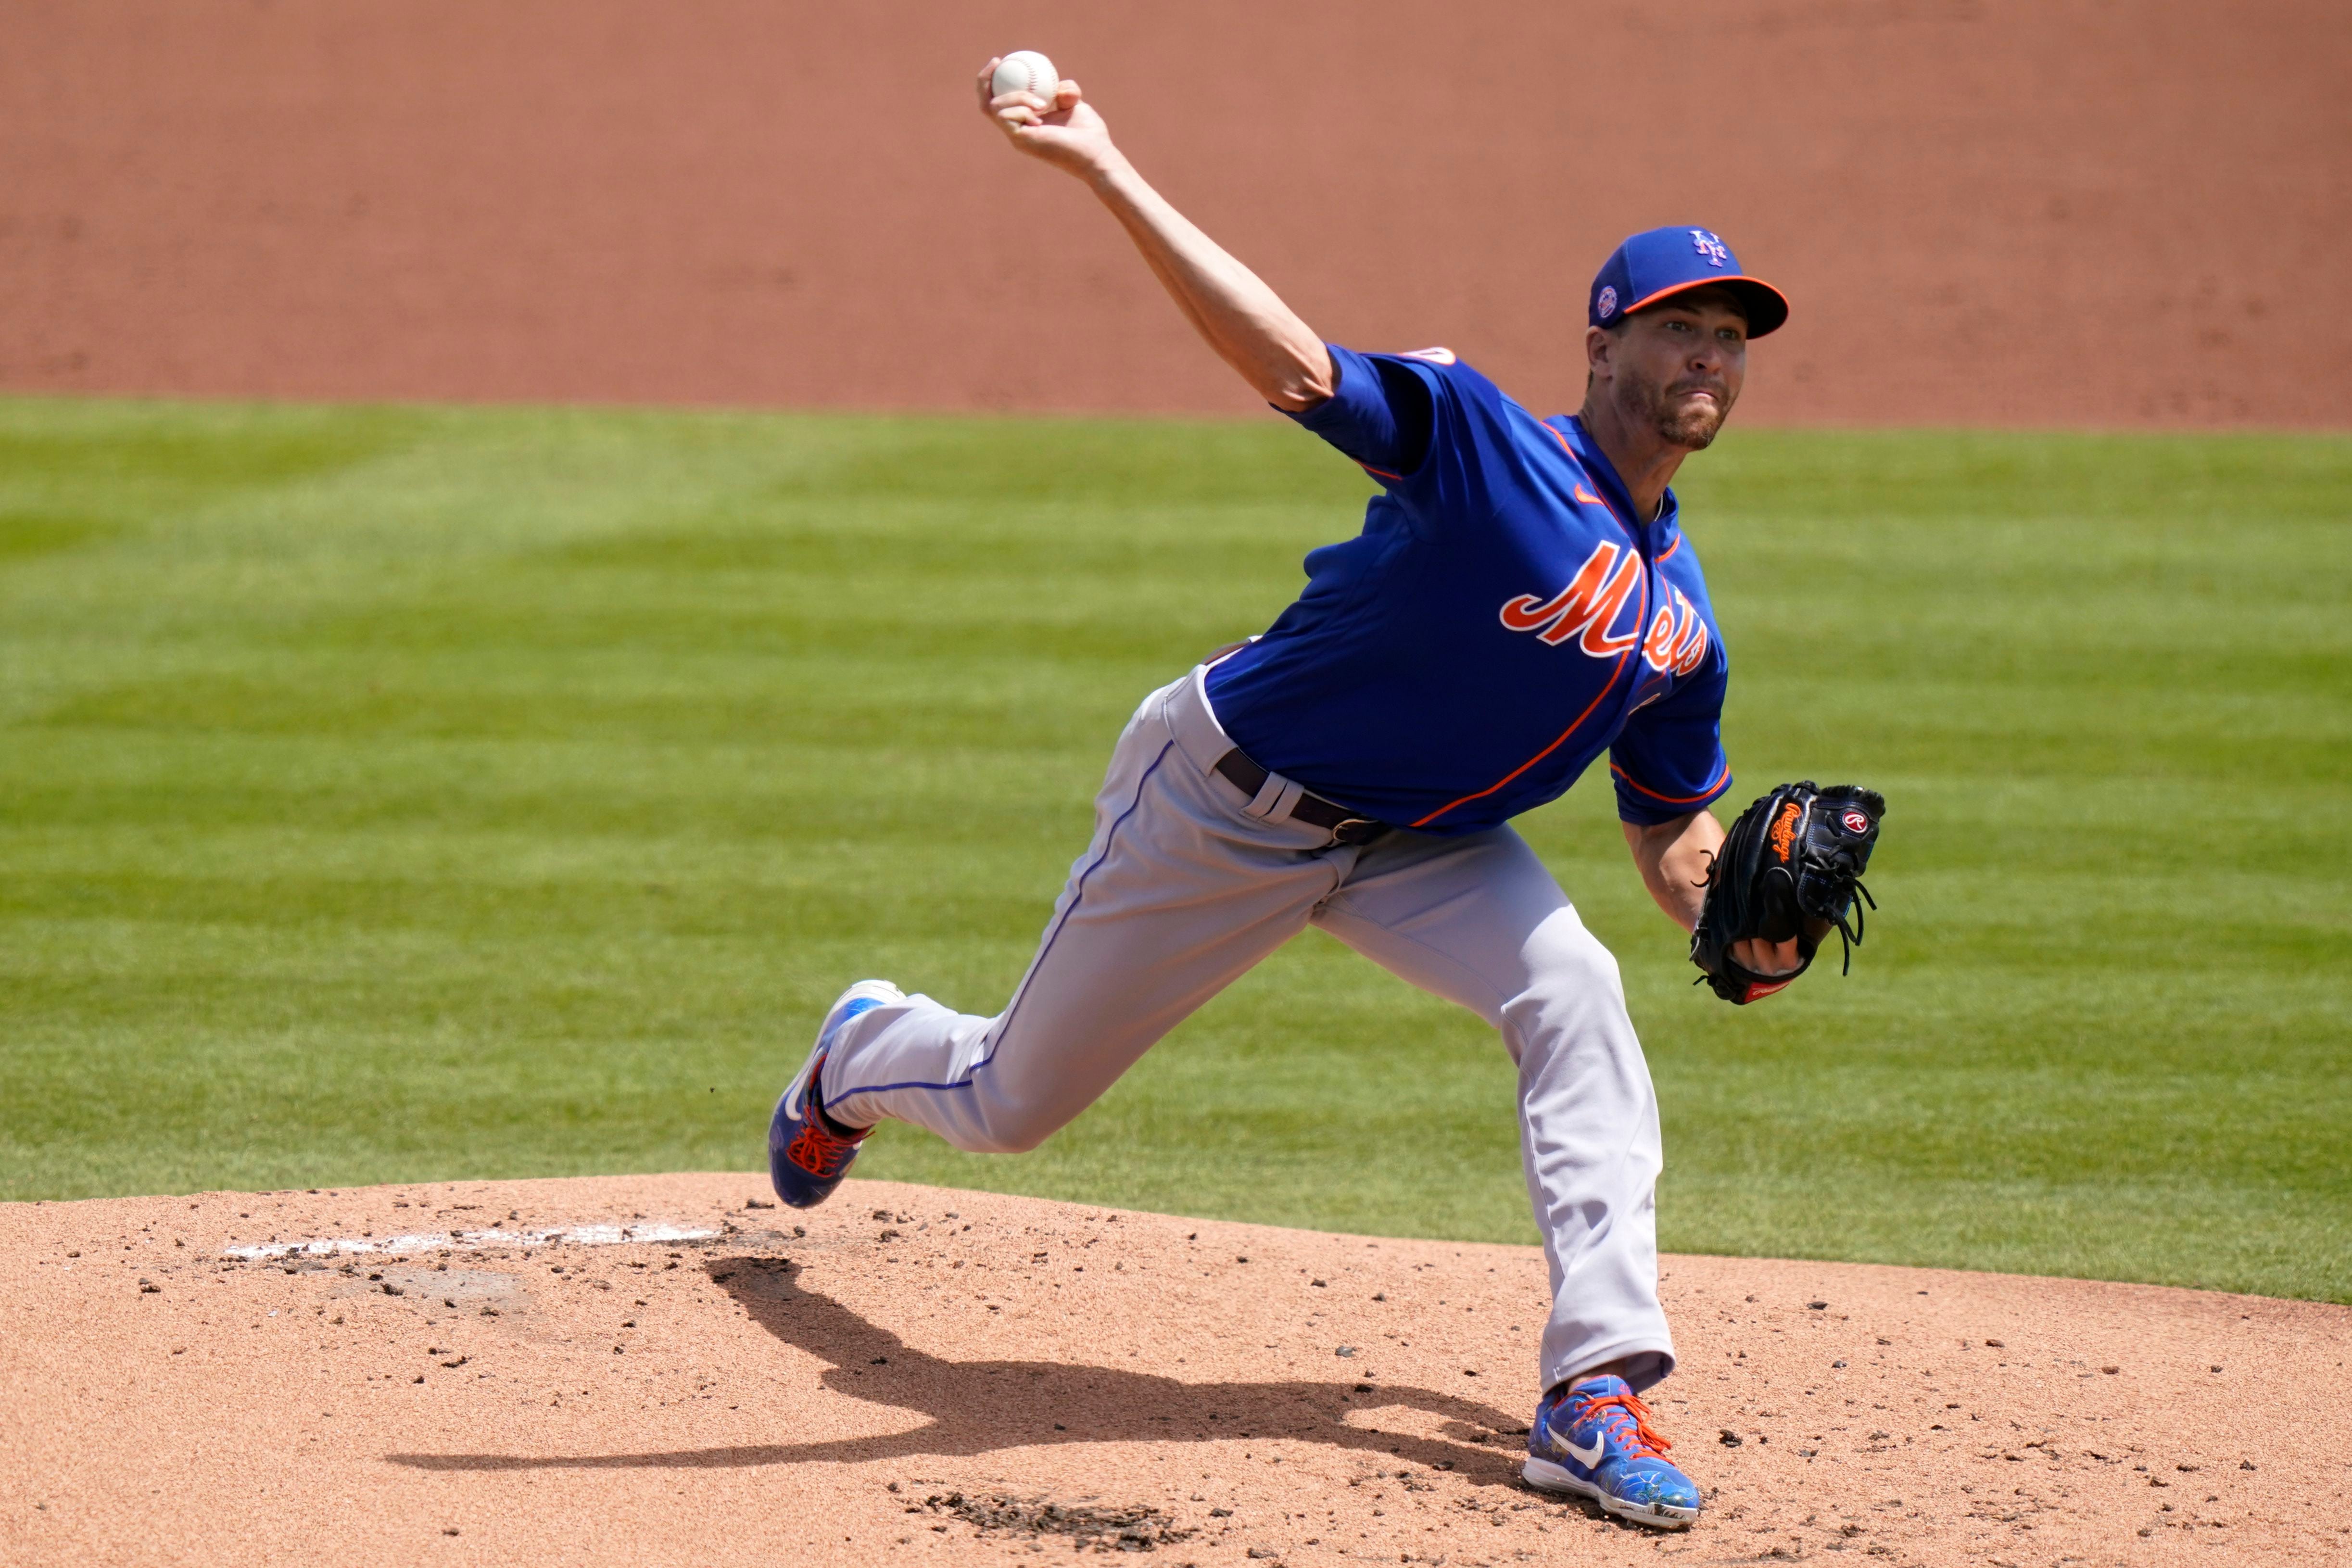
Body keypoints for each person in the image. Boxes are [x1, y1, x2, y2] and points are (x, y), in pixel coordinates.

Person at [767, 61, 1806, 1531]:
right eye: (1678, 327)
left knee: (1573, 990)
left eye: (1728, 336)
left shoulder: (1681, 615)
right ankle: (859, 1053)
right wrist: (1106, 168)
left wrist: (1737, 929)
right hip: (1224, 802)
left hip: (1423, 844)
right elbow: (1292, 365)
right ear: (1603, 344)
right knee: (1011, 1103)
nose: (1707, 354)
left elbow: (1668, 828)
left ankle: (1590, 1390)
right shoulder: (1481, 439)